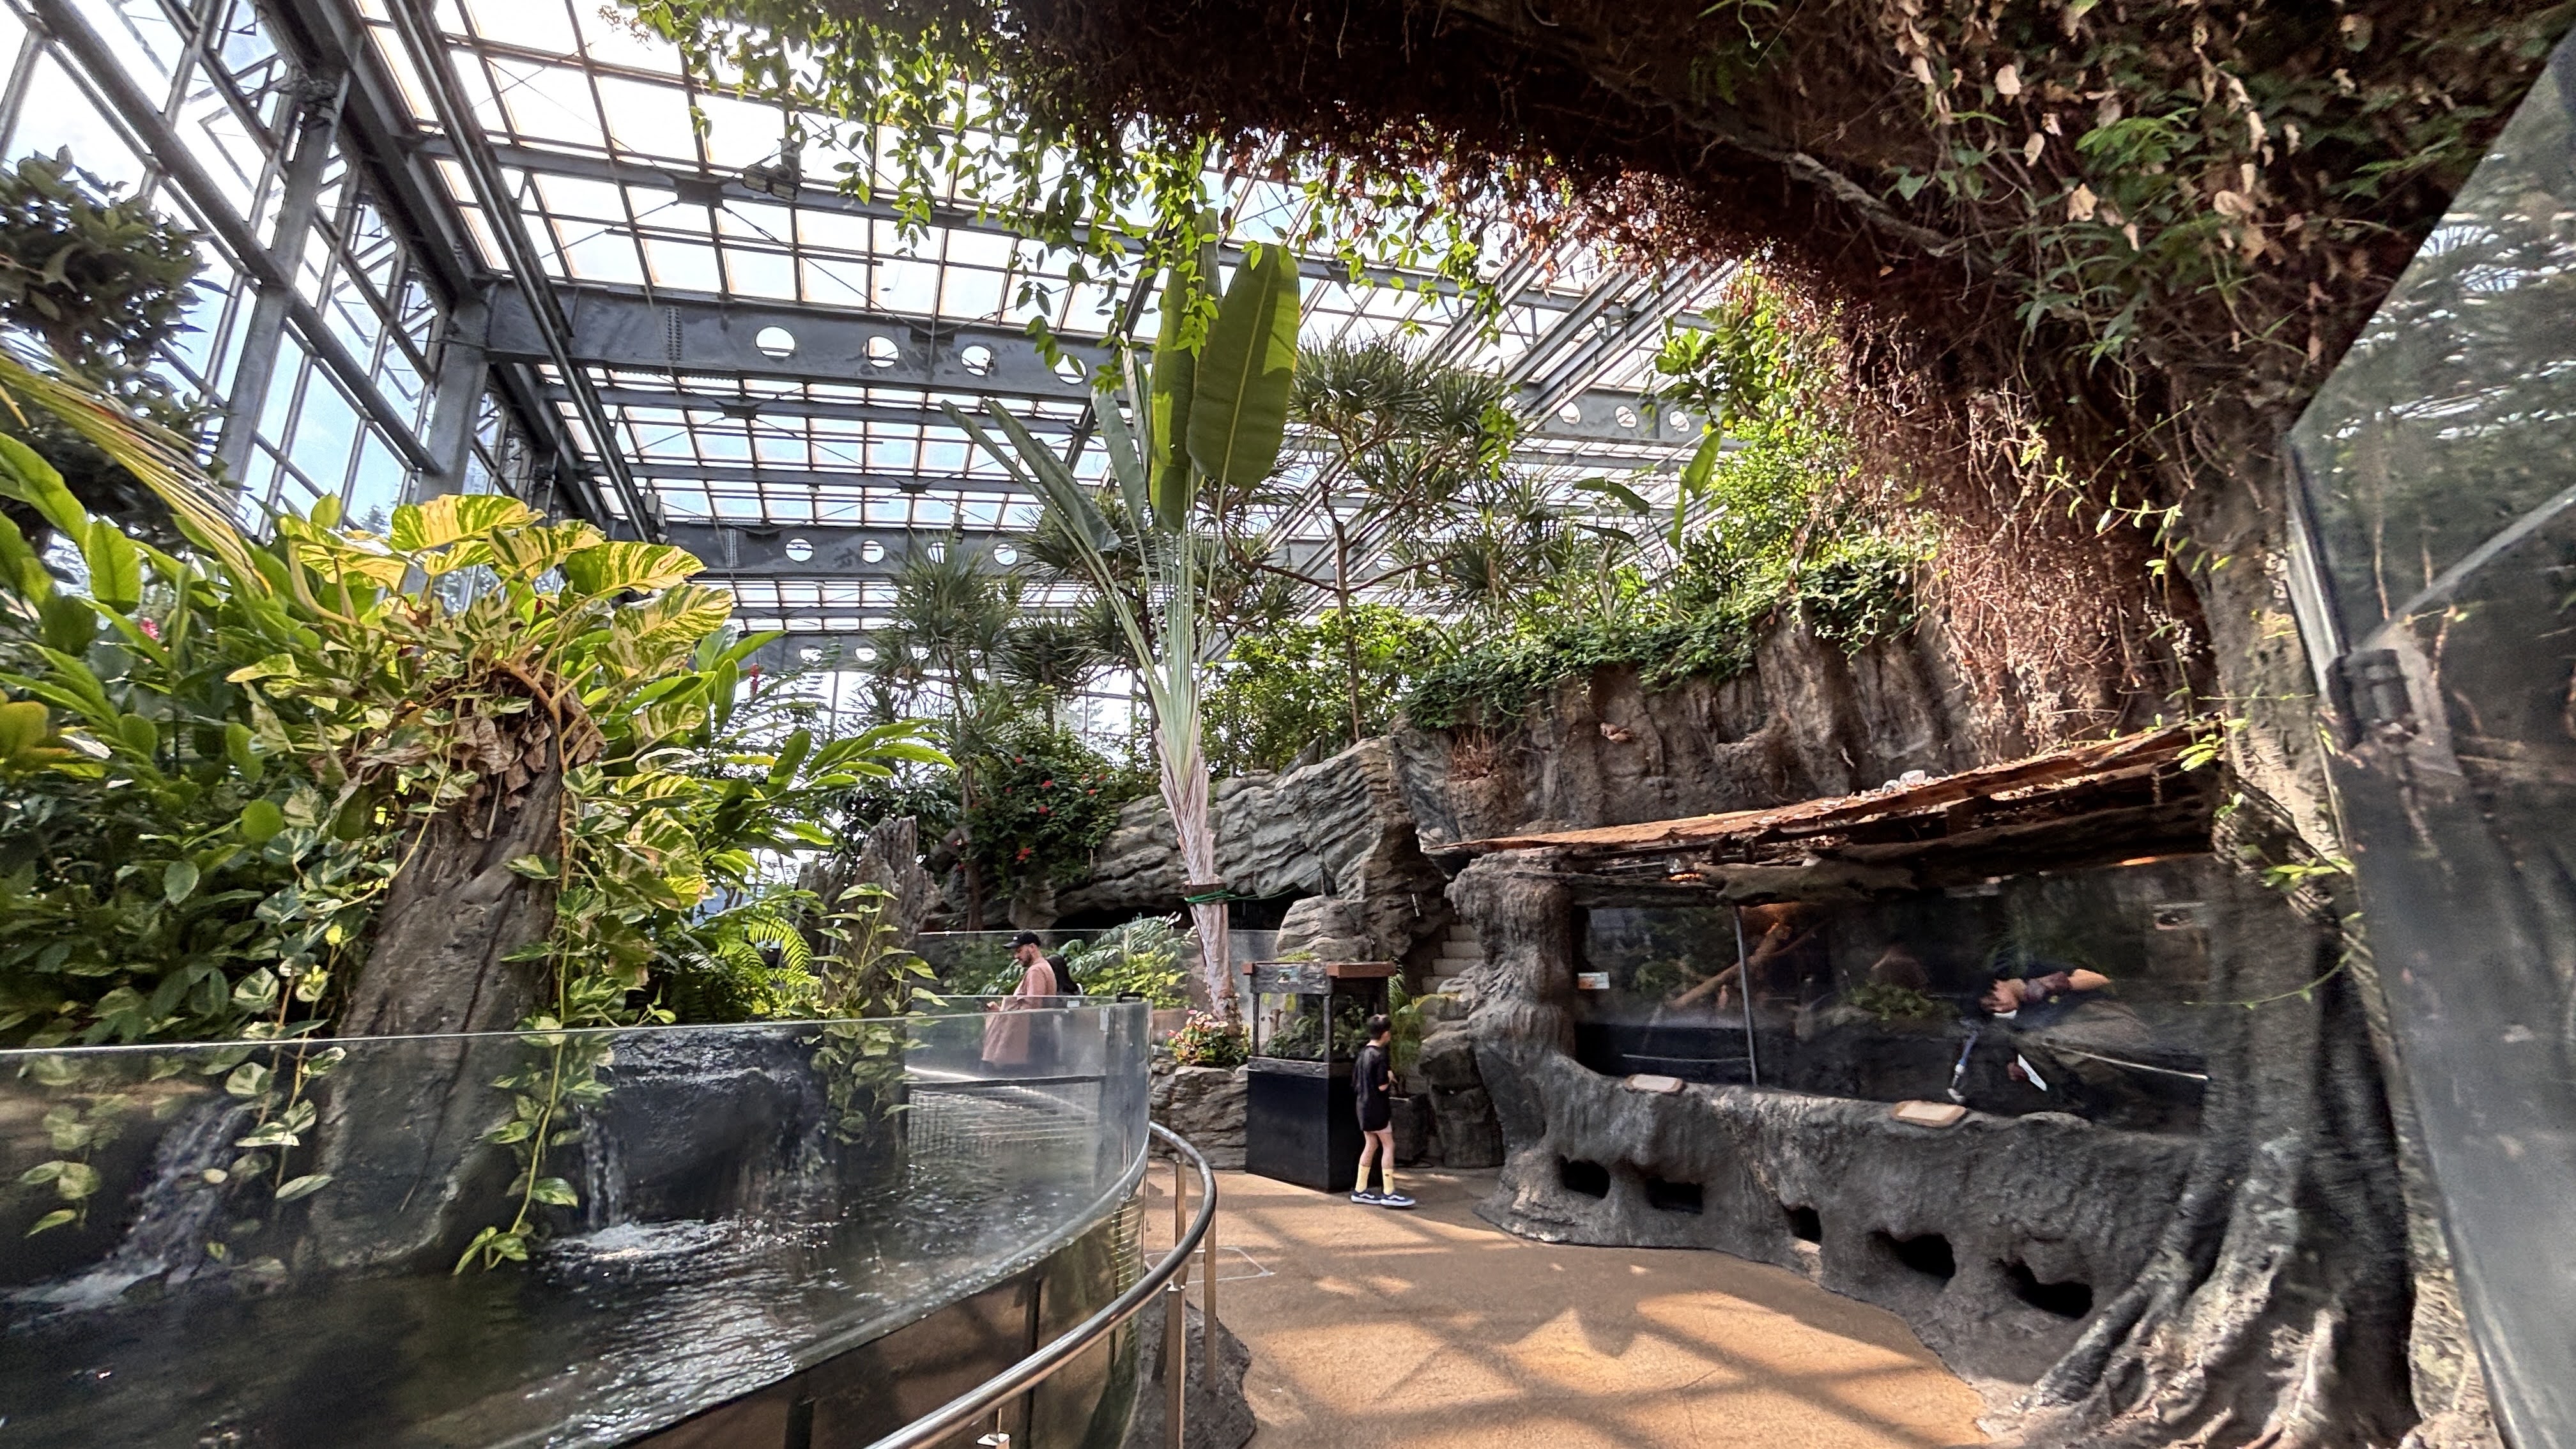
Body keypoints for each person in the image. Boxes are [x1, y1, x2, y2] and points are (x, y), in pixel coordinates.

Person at [1350, 1015, 1413, 1208]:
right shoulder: (1380, 1055)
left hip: (1363, 1105)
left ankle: (1360, 1189)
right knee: (1388, 1145)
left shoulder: (1363, 1053)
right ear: (1385, 1034)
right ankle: (1389, 1192)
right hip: (1377, 1108)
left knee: (1371, 1144)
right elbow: (1382, 1086)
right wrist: (1389, 1076)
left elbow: (1356, 1081)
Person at [981, 930, 1061, 1068]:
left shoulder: (1036, 970)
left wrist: (1007, 1013)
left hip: (1025, 1045)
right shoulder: (1041, 967)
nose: (1016, 956)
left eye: (1019, 951)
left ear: (1032, 947)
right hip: (1030, 1041)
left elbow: (1033, 1008)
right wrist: (1002, 1011)